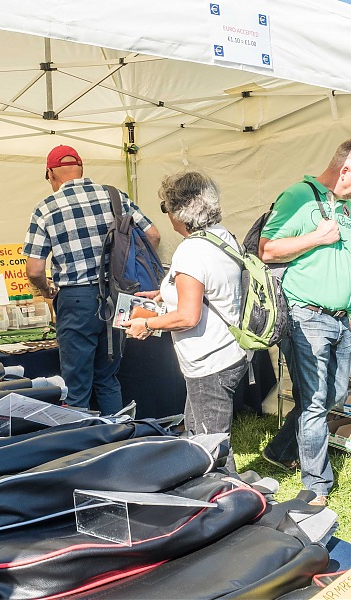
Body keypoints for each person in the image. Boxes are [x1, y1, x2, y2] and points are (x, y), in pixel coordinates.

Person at [259, 138, 351, 506]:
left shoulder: (344, 207)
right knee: (314, 401)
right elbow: (266, 248)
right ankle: (316, 486)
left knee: (334, 395)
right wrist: (315, 237)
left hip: (340, 319)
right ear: (344, 170)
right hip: (307, 316)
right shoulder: (298, 196)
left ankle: (280, 450)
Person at [123, 171, 247, 471]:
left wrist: (147, 325)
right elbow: (210, 290)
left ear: (179, 209)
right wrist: (166, 294)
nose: (165, 215)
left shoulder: (192, 250)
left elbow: (189, 316)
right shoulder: (222, 236)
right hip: (231, 351)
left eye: (165, 207)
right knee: (196, 431)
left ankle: (233, 503)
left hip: (210, 360)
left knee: (211, 446)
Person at [23, 145, 160, 415]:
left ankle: (82, 448)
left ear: (50, 174)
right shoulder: (115, 196)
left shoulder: (46, 208)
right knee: (108, 378)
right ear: (82, 169)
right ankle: (118, 441)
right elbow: (153, 235)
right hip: (118, 295)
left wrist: (47, 289)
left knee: (77, 386)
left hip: (76, 299)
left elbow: (34, 270)